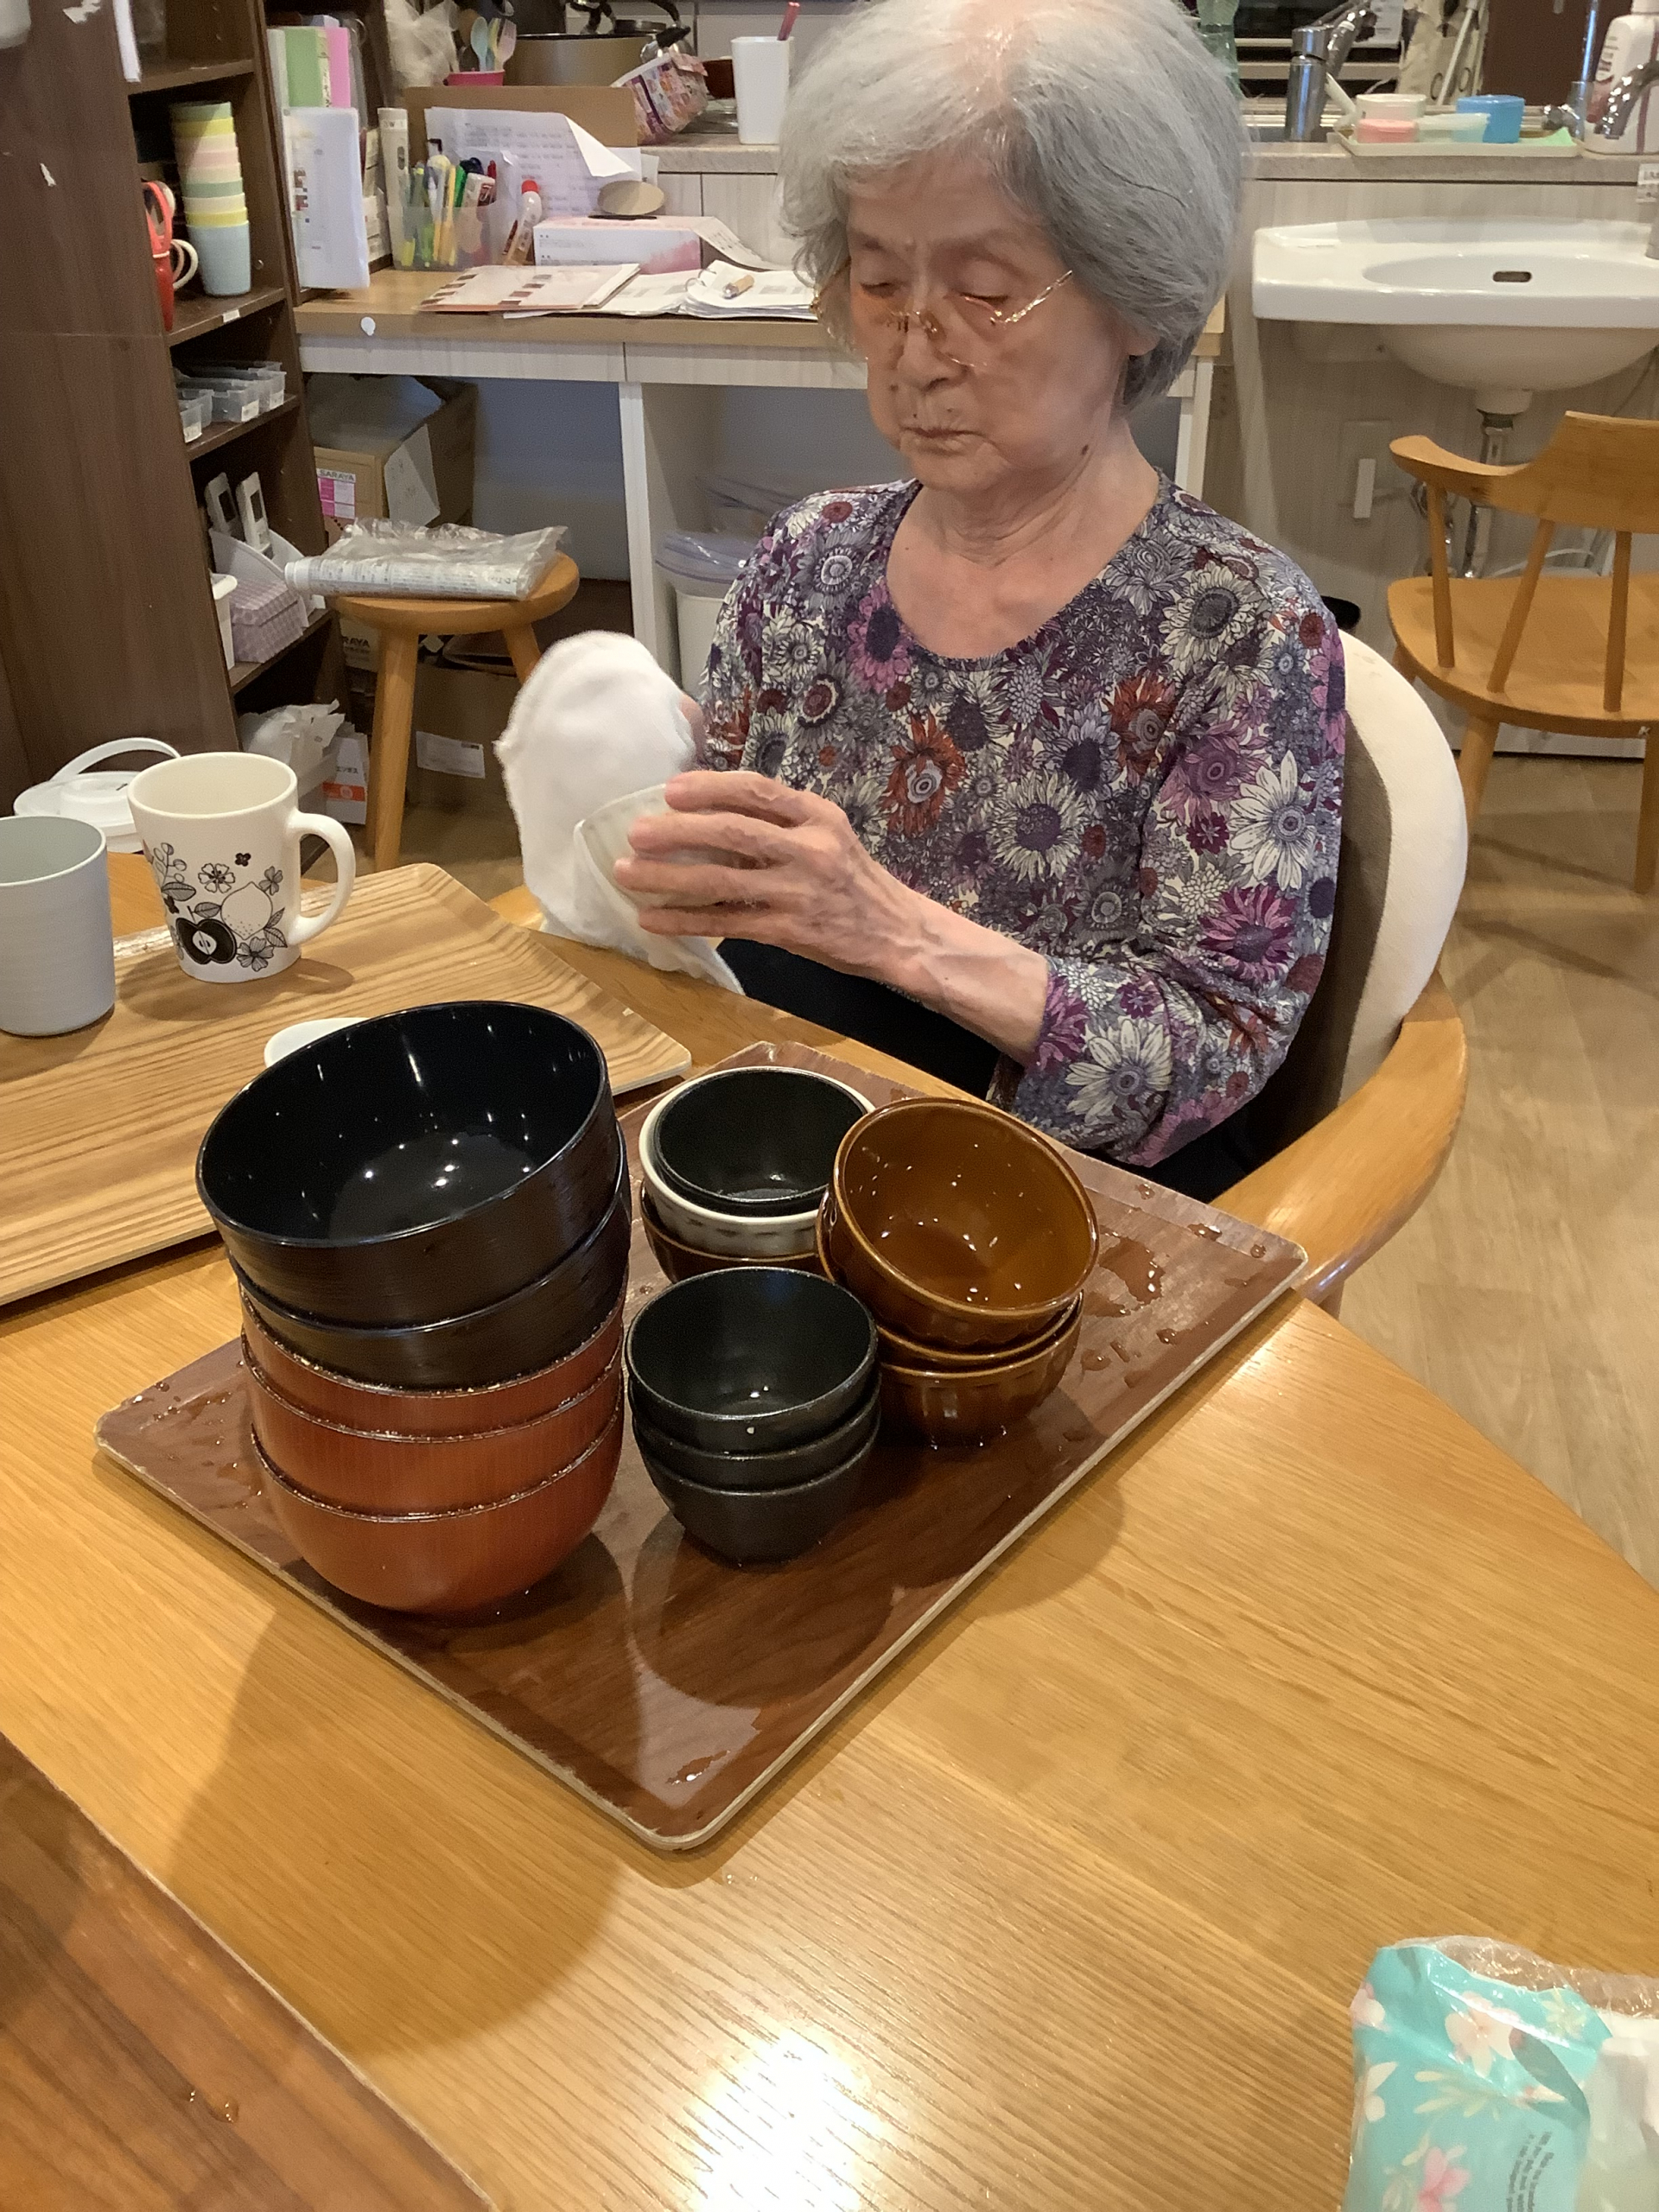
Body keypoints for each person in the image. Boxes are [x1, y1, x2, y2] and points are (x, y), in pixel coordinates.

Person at [615, 0, 1345, 1200]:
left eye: (986, 290)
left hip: (1042, 1212)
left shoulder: (1239, 634)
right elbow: (731, 901)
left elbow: (1215, 1045)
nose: (914, 354)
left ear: (1138, 297)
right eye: (878, 281)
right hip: (776, 1150)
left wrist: (894, 934)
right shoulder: (806, 563)